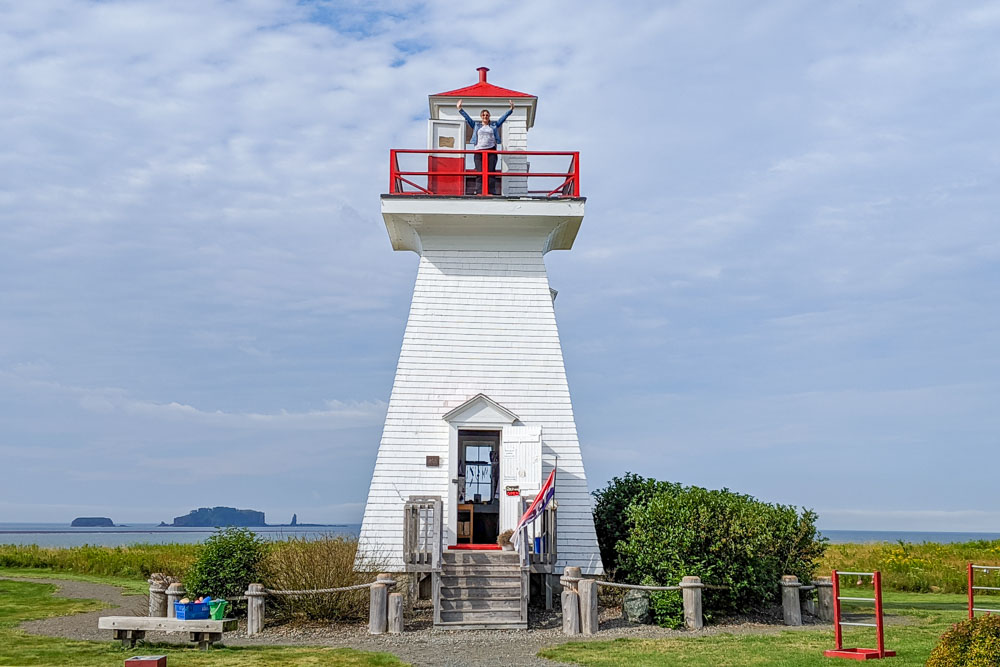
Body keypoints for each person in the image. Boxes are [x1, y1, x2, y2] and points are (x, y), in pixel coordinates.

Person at [458, 98, 514, 195]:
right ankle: (479, 191)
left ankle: (491, 191)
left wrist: (511, 109)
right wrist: (460, 109)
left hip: (491, 150)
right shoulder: (476, 125)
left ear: (489, 116)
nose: (485, 116)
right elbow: (468, 118)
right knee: (479, 171)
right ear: (481, 116)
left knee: (491, 172)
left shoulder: (494, 125)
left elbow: (503, 118)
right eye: (483, 115)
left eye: (487, 115)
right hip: (479, 151)